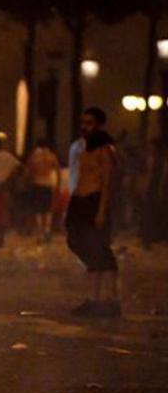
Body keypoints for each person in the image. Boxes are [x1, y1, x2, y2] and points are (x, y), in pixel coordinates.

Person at [67, 107, 120, 317]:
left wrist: (101, 210)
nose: (84, 126)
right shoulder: (84, 150)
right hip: (79, 202)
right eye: (83, 122)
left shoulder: (105, 150)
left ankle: (108, 299)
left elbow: (107, 183)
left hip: (95, 201)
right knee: (79, 243)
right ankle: (94, 299)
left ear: (99, 124)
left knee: (100, 249)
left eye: (89, 122)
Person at [25, 139, 61, 243]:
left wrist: (27, 182)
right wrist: (57, 185)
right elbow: (58, 171)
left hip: (37, 183)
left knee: (38, 209)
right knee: (48, 209)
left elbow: (28, 171)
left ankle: (40, 234)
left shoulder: (34, 157)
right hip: (48, 184)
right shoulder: (52, 156)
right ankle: (47, 230)